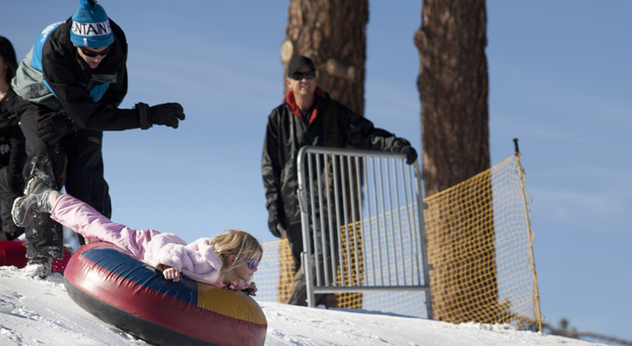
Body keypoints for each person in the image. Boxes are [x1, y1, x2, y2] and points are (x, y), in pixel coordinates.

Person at [9, 0, 185, 277]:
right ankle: (41, 257)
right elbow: (84, 114)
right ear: (75, 43)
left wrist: (71, 121)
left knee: (87, 175)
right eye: (90, 52)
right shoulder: (56, 50)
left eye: (103, 51)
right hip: (38, 101)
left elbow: (111, 99)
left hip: (84, 106)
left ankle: (99, 252)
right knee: (46, 160)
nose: (97, 58)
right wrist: (147, 116)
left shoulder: (116, 46)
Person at [261, 55, 418, 306]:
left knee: (325, 255)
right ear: (289, 82)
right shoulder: (278, 118)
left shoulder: (332, 112)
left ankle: (293, 311)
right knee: (306, 264)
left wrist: (396, 145)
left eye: (309, 74)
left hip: (326, 200)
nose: (305, 80)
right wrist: (273, 204)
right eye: (299, 76)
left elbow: (366, 134)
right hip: (293, 203)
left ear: (316, 78)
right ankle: (320, 320)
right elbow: (270, 164)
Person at [12, 178, 261, 293]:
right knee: (92, 224)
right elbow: (174, 252)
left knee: (94, 233)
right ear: (231, 259)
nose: (255, 269)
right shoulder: (204, 259)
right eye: (252, 264)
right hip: (139, 245)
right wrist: (168, 266)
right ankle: (47, 196)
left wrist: (245, 288)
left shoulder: (227, 274)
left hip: (142, 248)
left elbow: (227, 286)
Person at [0, 36, 26, 241]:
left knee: (10, 230)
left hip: (13, 174)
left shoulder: (18, 97)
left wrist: (13, 179)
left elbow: (21, 142)